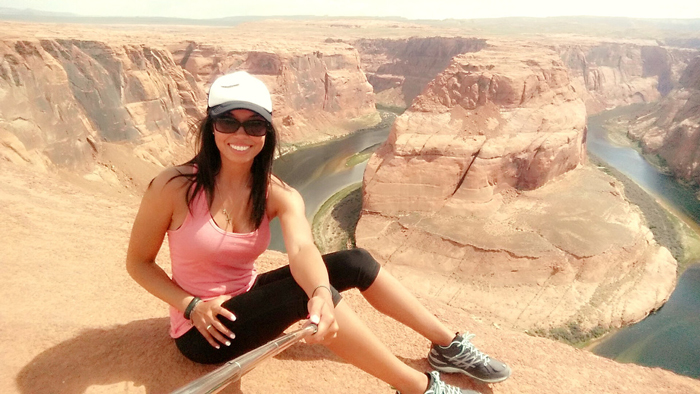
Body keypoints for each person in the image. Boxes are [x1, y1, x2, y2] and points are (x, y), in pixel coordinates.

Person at [126, 70, 511, 394]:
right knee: (301, 292)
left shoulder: (277, 193)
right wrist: (191, 306)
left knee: (354, 262)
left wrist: (321, 293)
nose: (240, 134)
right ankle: (421, 388)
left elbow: (301, 248)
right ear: (211, 127)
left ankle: (447, 346)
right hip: (207, 332)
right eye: (228, 121)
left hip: (249, 300)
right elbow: (138, 263)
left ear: (268, 131)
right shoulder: (174, 186)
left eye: (254, 124)